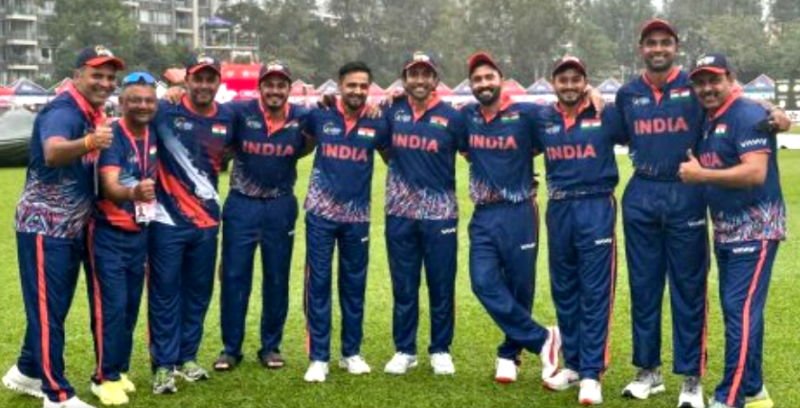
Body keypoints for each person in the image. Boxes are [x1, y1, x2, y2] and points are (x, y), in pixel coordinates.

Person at [616, 20, 791, 408]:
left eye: (665, 42)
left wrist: (778, 112)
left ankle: (692, 379)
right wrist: (592, 96)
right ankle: (648, 371)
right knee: (644, 288)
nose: (658, 49)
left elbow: (742, 105)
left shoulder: (696, 87)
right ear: (641, 48)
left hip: (688, 194)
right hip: (644, 193)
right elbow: (609, 128)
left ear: (676, 47)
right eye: (651, 43)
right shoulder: (628, 93)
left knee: (691, 290)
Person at [3, 45, 124, 408]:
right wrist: (90, 141)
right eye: (97, 75)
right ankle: (56, 395)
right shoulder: (64, 110)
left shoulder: (90, 111)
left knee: (52, 308)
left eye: (110, 77)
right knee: (47, 310)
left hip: (69, 227)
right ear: (77, 76)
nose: (105, 82)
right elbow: (53, 152)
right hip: (45, 226)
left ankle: (26, 371)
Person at [679, 53, 784, 408]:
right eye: (700, 82)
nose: (707, 88)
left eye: (714, 80)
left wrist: (701, 175)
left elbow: (755, 172)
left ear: (730, 79)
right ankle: (753, 389)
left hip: (756, 229)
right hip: (726, 230)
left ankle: (729, 397)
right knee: (740, 310)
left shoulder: (747, 114)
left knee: (739, 311)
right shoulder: (710, 118)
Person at [461, 52, 561, 384]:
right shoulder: (467, 117)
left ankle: (509, 353)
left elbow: (562, 116)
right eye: (477, 79)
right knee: (482, 282)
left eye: (489, 77)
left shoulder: (527, 113)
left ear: (501, 80)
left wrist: (591, 94)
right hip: (483, 214)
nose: (483, 83)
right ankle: (543, 339)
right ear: (471, 85)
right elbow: (460, 145)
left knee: (520, 286)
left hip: (520, 210)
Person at [538, 56, 625, 405]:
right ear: (554, 83)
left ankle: (591, 373)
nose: (570, 85)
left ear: (585, 82)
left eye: (576, 79)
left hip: (596, 205)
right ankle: (573, 365)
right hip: (559, 208)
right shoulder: (542, 117)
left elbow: (636, 131)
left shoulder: (605, 113)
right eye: (564, 80)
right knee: (565, 289)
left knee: (595, 292)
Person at [213, 61, 311, 371]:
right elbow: (208, 110)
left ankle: (270, 347)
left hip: (280, 205)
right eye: (269, 84)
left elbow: (322, 129)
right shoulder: (239, 111)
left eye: (281, 85)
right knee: (234, 277)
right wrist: (176, 93)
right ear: (260, 87)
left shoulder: (301, 116)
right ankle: (231, 349)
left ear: (289, 89)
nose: (275, 90)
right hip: (242, 204)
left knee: (277, 277)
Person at [148, 53, 234, 394]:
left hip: (207, 222)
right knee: (165, 293)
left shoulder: (228, 117)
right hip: (166, 221)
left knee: (198, 293)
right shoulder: (164, 110)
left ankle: (186, 357)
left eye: (210, 79)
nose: (203, 85)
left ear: (218, 82)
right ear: (187, 80)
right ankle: (162, 365)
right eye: (198, 78)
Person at [301, 61, 390, 383]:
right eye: (351, 85)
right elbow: (301, 143)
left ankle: (351, 353)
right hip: (320, 215)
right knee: (318, 284)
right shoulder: (320, 116)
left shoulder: (378, 121)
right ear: (340, 85)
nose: (357, 91)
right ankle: (319, 357)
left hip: (357, 218)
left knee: (354, 286)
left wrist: (388, 105)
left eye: (363, 86)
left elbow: (392, 156)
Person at [381, 52, 465, 376]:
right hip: (399, 212)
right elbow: (383, 148)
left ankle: (440, 349)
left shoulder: (452, 117)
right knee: (404, 285)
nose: (419, 80)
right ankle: (405, 350)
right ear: (404, 80)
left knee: (441, 284)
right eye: (413, 74)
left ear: (435, 79)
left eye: (425, 74)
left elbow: (475, 153)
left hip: (440, 214)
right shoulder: (392, 111)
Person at [86, 71, 159, 405]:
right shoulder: (112, 135)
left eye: (148, 100)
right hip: (108, 235)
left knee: (129, 308)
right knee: (111, 308)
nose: (142, 106)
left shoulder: (153, 132)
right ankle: (103, 378)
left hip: (138, 235)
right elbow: (109, 186)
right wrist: (133, 192)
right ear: (121, 102)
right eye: (135, 100)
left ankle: (119, 369)